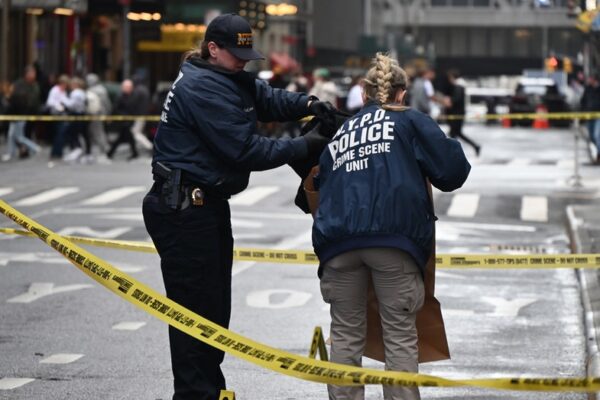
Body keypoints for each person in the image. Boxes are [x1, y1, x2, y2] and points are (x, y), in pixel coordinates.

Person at [141, 13, 334, 400]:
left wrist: (309, 104)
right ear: (213, 49)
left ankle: (209, 390)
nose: (244, 62)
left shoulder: (225, 75)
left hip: (203, 205)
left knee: (213, 311)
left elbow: (266, 98)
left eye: (247, 55)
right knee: (195, 314)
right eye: (237, 54)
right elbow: (246, 150)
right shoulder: (202, 88)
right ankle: (195, 394)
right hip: (184, 209)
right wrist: (305, 145)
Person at [312, 53, 471, 400]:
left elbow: (319, 183)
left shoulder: (344, 129)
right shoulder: (410, 121)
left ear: (364, 92)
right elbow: (452, 173)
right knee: (399, 335)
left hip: (338, 243)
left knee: (345, 335)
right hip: (393, 241)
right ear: (402, 93)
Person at [2, 65, 41, 162]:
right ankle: (13, 153)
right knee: (13, 135)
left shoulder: (34, 85)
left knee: (19, 136)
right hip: (17, 114)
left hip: (25, 113)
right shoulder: (19, 85)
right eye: (31, 73)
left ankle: (32, 148)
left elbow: (34, 100)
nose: (33, 75)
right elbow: (15, 101)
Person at [444, 69, 481, 156]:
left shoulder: (459, 86)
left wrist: (450, 100)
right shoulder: (461, 85)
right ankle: (473, 147)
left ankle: (453, 152)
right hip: (458, 113)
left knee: (454, 133)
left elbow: (456, 99)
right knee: (455, 133)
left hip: (457, 113)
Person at [106, 79, 138, 160]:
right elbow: (115, 109)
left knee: (125, 137)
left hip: (128, 120)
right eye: (127, 87)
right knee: (126, 137)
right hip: (123, 120)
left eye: (130, 87)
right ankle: (134, 153)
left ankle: (110, 153)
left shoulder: (132, 96)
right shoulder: (120, 97)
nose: (129, 88)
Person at [580, 73, 600, 160]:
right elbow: (583, 101)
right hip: (589, 115)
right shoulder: (588, 89)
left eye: (590, 78)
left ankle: (599, 154)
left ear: (594, 79)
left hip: (598, 116)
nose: (588, 80)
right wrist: (583, 113)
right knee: (591, 136)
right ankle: (597, 150)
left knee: (597, 135)